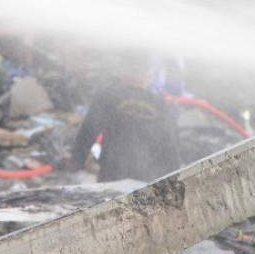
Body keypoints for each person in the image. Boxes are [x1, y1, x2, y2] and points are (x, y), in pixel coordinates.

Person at [68, 51, 181, 183]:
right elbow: (172, 148)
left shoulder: (108, 97)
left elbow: (88, 131)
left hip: (113, 177)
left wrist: (76, 161)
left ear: (122, 73)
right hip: (149, 182)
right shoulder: (160, 106)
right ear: (146, 75)